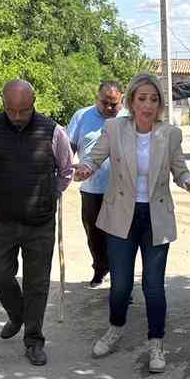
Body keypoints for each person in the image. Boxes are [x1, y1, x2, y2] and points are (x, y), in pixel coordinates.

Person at [73, 73, 190, 373]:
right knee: (120, 285)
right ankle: (115, 328)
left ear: (160, 105)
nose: (147, 104)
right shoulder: (114, 128)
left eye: (153, 99)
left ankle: (156, 342)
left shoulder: (169, 134)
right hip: (121, 215)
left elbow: (179, 171)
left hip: (155, 217)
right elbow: (94, 157)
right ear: (131, 101)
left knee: (154, 286)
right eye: (141, 98)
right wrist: (85, 169)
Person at [0, 79, 73, 366]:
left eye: (24, 111)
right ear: (3, 103)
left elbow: (65, 170)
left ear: (34, 103)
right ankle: (17, 315)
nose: (17, 117)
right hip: (2, 219)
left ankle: (34, 339)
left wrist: (48, 195)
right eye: (11, 110)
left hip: (40, 223)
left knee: (37, 283)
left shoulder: (53, 131)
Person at [67, 81, 123, 287]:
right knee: (94, 234)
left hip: (121, 190)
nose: (109, 108)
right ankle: (100, 268)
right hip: (91, 188)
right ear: (96, 99)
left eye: (114, 104)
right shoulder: (82, 116)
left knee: (120, 236)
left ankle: (121, 280)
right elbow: (69, 146)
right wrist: (65, 170)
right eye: (104, 103)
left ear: (122, 100)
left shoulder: (127, 118)